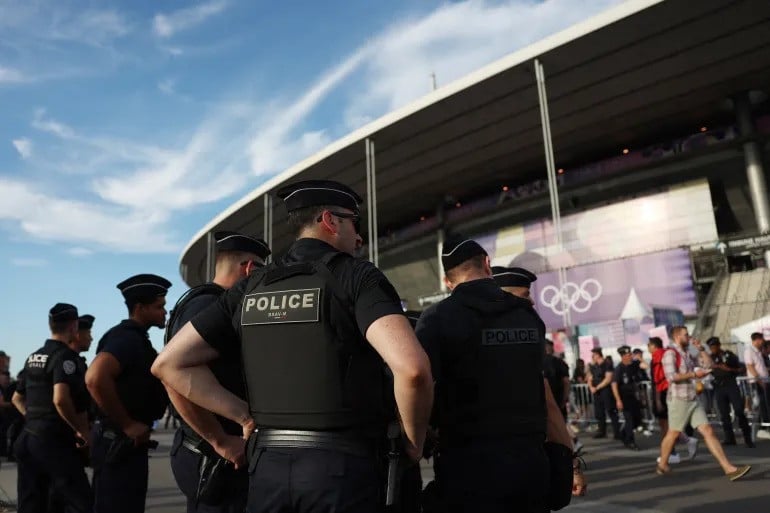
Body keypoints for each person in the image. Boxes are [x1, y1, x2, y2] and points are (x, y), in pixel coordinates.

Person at [153, 179, 433, 513]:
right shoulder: (356, 277)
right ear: (330, 221)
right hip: (341, 473)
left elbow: (169, 364)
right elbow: (412, 370)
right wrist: (414, 443)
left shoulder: (251, 287)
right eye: (353, 223)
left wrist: (242, 415)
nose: (359, 237)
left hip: (266, 470)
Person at [415, 241, 575, 512]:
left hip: (468, 468)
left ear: (447, 280)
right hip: (529, 465)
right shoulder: (527, 315)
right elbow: (545, 400)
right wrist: (570, 460)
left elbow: (419, 381)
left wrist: (416, 438)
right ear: (487, 264)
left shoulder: (438, 318)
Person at [166, 230, 270, 513]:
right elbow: (171, 375)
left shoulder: (200, 303)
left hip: (211, 450)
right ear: (250, 268)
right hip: (216, 454)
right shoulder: (211, 306)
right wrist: (219, 439)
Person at [86, 274, 171, 513]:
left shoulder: (136, 339)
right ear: (140, 308)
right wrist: (127, 424)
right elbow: (95, 378)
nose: (164, 312)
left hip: (126, 443)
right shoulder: (127, 339)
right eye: (159, 307)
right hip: (119, 442)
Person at [11, 303, 93, 513]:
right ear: (74, 327)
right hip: (54, 443)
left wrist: (34, 419)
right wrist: (81, 430)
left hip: (28, 438)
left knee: (33, 504)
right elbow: (60, 399)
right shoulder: (65, 357)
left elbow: (17, 398)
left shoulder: (33, 357)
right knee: (81, 502)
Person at [656, 326, 750, 480]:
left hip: (692, 398)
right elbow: (671, 377)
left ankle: (729, 468)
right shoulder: (670, 354)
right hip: (679, 399)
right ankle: (662, 464)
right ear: (677, 337)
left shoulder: (687, 353)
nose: (689, 337)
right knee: (673, 433)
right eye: (686, 335)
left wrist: (701, 350)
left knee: (708, 430)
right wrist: (694, 374)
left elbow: (709, 365)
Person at [706, 337, 753, 447]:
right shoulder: (711, 358)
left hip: (731, 385)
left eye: (713, 347)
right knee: (724, 414)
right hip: (719, 387)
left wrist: (729, 369)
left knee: (739, 411)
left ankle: (748, 438)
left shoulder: (729, 355)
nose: (712, 349)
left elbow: (741, 369)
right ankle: (729, 438)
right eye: (710, 348)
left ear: (718, 345)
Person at [611, 346, 642, 450]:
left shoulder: (632, 366)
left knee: (638, 419)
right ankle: (630, 441)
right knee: (629, 420)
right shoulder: (618, 369)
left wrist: (639, 358)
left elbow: (645, 366)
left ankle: (623, 433)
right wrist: (618, 400)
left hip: (633, 397)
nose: (630, 357)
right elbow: (614, 385)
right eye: (628, 355)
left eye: (630, 355)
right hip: (624, 398)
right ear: (623, 356)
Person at [588, 348, 621, 440]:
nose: (592, 357)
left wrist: (597, 387)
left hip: (606, 391)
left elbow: (608, 379)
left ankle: (617, 433)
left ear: (598, 355)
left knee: (611, 411)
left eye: (593, 355)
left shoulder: (607, 364)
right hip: (596, 392)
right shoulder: (593, 366)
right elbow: (590, 378)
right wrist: (591, 387)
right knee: (599, 413)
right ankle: (602, 431)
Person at [744, 332, 770, 438]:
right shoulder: (749, 351)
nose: (763, 342)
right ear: (758, 340)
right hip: (757, 382)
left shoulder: (758, 352)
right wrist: (759, 380)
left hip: (764, 381)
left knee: (766, 405)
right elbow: (750, 367)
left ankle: (765, 427)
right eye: (762, 339)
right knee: (760, 405)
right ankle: (761, 428)